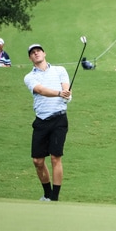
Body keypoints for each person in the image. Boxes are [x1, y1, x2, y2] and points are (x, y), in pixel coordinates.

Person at [24, 44, 72, 201]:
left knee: (55, 157)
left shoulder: (59, 70)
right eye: (32, 53)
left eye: (38, 51)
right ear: (30, 58)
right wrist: (60, 93)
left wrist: (66, 93)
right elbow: (40, 90)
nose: (36, 53)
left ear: (44, 53)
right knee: (37, 161)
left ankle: (54, 198)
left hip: (59, 118)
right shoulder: (30, 77)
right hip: (41, 120)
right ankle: (47, 194)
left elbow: (66, 87)